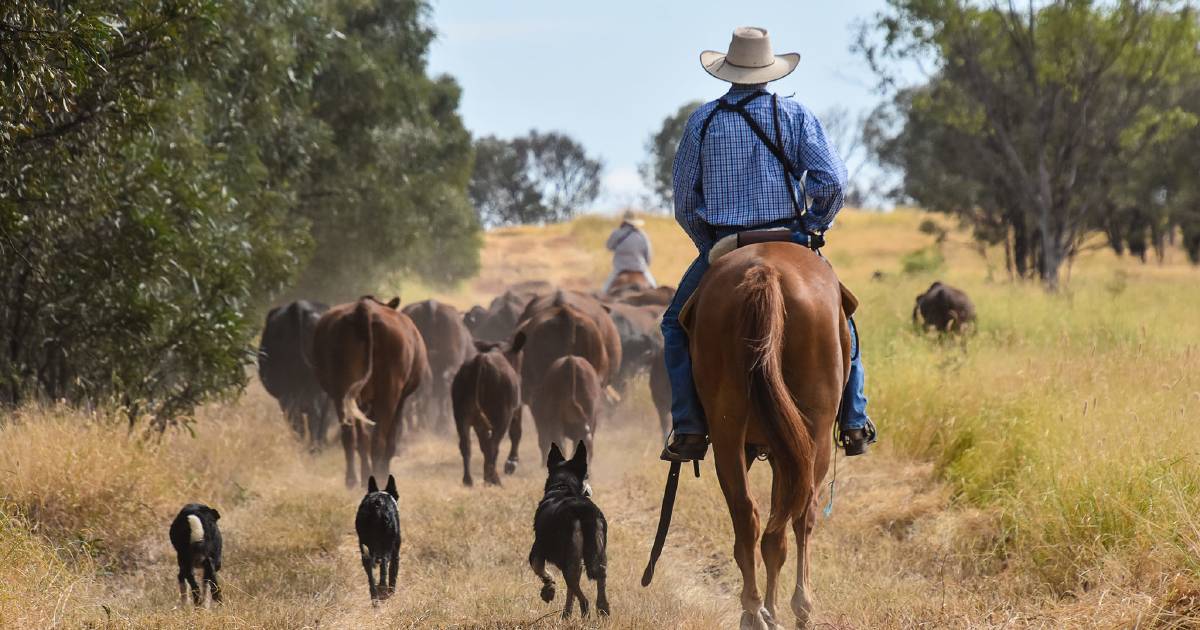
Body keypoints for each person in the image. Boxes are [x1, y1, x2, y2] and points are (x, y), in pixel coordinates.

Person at [660, 26, 876, 462]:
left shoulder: (703, 122)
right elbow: (832, 181)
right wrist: (815, 225)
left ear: (727, 72)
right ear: (769, 73)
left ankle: (687, 426)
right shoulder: (795, 117)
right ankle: (853, 420)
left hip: (726, 244)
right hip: (792, 238)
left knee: (672, 326)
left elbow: (685, 201)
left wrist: (713, 246)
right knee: (844, 323)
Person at [602, 210, 656, 293]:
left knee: (605, 290)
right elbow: (648, 257)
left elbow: (609, 247)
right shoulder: (643, 235)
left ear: (624, 220)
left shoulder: (616, 233)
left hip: (620, 269)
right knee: (654, 286)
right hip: (639, 268)